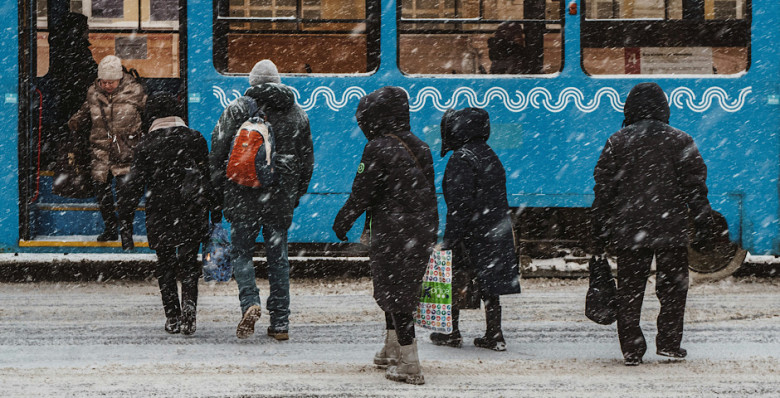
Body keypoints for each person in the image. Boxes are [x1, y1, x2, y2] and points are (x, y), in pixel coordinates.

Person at [591, 82, 714, 366]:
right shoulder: (681, 140)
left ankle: (632, 349)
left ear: (630, 108)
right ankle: (669, 344)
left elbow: (604, 190)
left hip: (630, 229)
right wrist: (703, 223)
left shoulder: (617, 141)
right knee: (673, 288)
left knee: (630, 290)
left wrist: (599, 226)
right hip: (671, 228)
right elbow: (695, 188)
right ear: (663, 108)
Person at [332, 86, 438, 385]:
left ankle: (410, 362)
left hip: (393, 231)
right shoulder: (421, 145)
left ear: (376, 118)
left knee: (396, 293)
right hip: (421, 229)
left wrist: (343, 220)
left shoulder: (378, 147)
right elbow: (428, 192)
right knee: (400, 289)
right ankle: (392, 348)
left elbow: (362, 191)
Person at [209, 59, 314, 341]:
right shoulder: (297, 113)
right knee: (278, 258)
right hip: (279, 197)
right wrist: (294, 194)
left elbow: (217, 153)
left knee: (241, 252)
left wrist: (219, 192)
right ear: (278, 81)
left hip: (242, 193)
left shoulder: (236, 109)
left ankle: (250, 302)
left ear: (252, 83)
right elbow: (307, 162)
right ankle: (280, 323)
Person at [430, 107, 521, 351]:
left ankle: (452, 332)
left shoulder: (462, 157)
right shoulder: (489, 155)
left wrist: (450, 239)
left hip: (471, 233)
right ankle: (495, 333)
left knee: (456, 278)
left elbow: (459, 205)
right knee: (490, 284)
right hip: (494, 229)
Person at [124, 92, 213, 335]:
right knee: (188, 263)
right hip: (191, 210)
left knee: (165, 264)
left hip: (160, 212)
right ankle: (189, 314)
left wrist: (126, 223)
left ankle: (172, 317)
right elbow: (209, 179)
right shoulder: (195, 139)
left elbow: (133, 187)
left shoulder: (145, 144)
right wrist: (215, 213)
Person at [68, 55, 147, 249]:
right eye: (103, 82)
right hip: (100, 151)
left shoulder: (135, 92)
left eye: (110, 82)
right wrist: (73, 123)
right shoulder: (93, 93)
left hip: (126, 151)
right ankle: (111, 228)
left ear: (119, 79)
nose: (107, 85)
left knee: (125, 196)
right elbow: (85, 112)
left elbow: (148, 114)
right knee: (102, 193)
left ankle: (126, 232)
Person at [44, 12, 97, 173]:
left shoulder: (62, 47)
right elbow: (91, 73)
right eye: (85, 27)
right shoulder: (79, 50)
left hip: (65, 100)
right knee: (78, 137)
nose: (88, 31)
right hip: (77, 100)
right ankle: (78, 170)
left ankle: (65, 166)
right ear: (78, 29)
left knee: (66, 137)